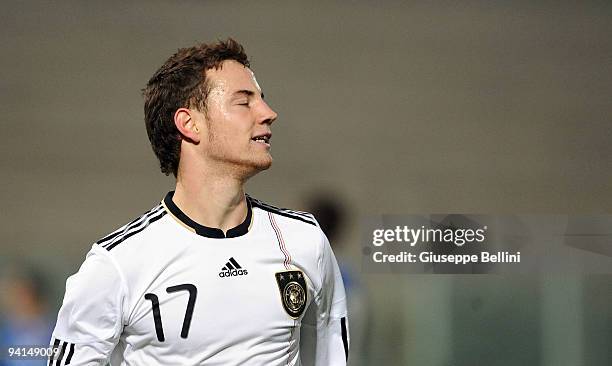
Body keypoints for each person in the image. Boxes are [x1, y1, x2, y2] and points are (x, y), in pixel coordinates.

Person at [48, 39, 349, 365]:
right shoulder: (116, 265)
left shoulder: (304, 240)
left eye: (262, 99)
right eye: (244, 102)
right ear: (189, 123)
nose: (268, 113)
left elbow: (332, 353)